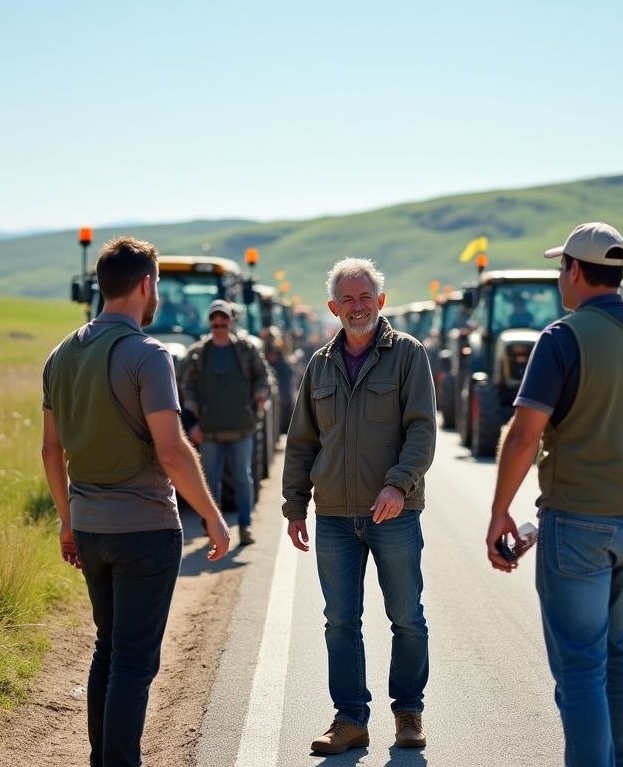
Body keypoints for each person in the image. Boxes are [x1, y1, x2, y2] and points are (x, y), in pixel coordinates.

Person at [486, 222, 623, 767]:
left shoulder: (562, 338)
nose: (560, 278)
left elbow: (525, 434)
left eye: (561, 269)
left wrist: (500, 510)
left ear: (575, 270)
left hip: (577, 523)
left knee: (580, 666)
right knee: (617, 652)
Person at [41, 236, 231, 767]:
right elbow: (172, 453)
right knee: (133, 662)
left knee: (108, 649)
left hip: (90, 529)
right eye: (158, 288)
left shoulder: (60, 355)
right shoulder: (149, 356)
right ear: (146, 285)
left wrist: (66, 520)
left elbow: (49, 450)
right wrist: (213, 519)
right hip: (145, 531)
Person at [283, 258, 437, 755]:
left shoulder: (409, 355)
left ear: (381, 301)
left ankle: (408, 712)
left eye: (365, 296)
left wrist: (397, 485)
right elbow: (302, 440)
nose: (357, 306)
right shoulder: (319, 365)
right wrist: (293, 507)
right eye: (347, 299)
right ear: (333, 308)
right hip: (332, 516)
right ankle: (350, 719)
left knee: (406, 617)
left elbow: (421, 431)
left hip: (394, 512)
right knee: (340, 621)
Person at [179, 299, 270, 547]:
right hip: (209, 431)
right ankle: (212, 530)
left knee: (243, 478)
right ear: (210, 323)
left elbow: (263, 376)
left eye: (223, 321)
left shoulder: (246, 350)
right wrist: (193, 421)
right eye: (215, 322)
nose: (219, 325)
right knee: (210, 483)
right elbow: (187, 387)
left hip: (242, 427)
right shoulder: (198, 354)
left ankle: (245, 525)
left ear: (230, 321)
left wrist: (260, 395)